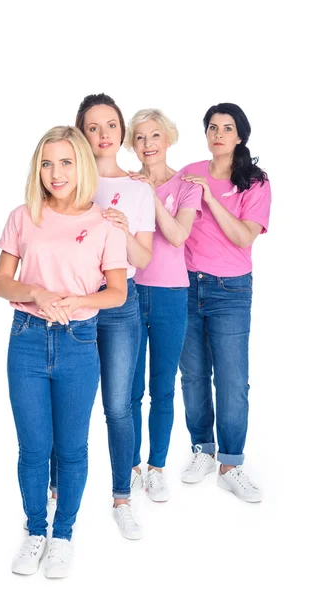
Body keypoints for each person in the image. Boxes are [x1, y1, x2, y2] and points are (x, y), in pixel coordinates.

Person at [0, 125, 128, 577]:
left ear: (81, 166)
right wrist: (35, 291)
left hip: (78, 343)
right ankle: (35, 531)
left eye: (66, 161)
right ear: (38, 168)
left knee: (71, 449)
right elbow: (0, 284)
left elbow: (117, 292)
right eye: (47, 163)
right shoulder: (23, 215)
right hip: (26, 338)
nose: (56, 172)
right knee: (34, 448)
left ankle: (63, 534)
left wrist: (78, 301)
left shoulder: (102, 222)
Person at [52, 93, 155, 540]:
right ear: (81, 133)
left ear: (120, 131)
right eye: (92, 127)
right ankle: (53, 492)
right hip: (72, 303)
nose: (103, 134)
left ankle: (121, 498)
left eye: (110, 124)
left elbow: (144, 259)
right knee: (64, 403)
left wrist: (123, 228)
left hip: (118, 304)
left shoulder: (137, 189)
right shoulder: (67, 181)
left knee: (117, 405)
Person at [178, 103, 271, 502]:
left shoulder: (254, 181)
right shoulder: (189, 173)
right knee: (194, 375)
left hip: (230, 291)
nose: (218, 134)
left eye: (226, 128)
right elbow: (160, 200)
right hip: (182, 286)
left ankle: (231, 464)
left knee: (232, 381)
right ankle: (203, 449)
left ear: (239, 136)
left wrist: (211, 200)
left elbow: (244, 237)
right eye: (212, 127)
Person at [124, 109, 202, 501]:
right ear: (131, 144)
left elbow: (177, 236)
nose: (148, 144)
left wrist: (149, 196)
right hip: (131, 292)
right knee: (130, 389)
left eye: (155, 136)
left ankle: (156, 467)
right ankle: (132, 467)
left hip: (172, 294)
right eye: (139, 137)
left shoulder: (187, 186)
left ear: (168, 139)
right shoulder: (126, 183)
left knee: (163, 389)